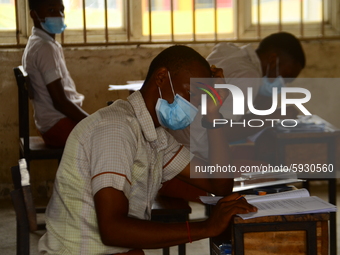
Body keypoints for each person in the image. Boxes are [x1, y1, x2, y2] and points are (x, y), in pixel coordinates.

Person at [38, 45, 257, 255]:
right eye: (191, 94)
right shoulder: (116, 128)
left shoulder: (156, 137)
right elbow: (112, 230)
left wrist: (212, 114)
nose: (194, 107)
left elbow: (218, 184)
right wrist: (206, 228)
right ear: (161, 78)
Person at [160, 32, 306, 201]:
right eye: (285, 77)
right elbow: (224, 131)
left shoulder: (228, 52)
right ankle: (235, 223)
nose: (282, 84)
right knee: (270, 175)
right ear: (273, 60)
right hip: (188, 160)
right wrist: (274, 117)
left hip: (175, 146)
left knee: (251, 154)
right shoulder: (249, 76)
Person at [22, 0, 89, 148]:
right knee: (109, 138)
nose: (59, 15)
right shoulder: (44, 48)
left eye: (61, 10)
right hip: (58, 124)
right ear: (34, 14)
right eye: (51, 10)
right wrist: (91, 121)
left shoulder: (38, 42)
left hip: (52, 123)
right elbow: (60, 102)